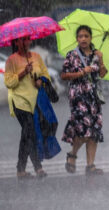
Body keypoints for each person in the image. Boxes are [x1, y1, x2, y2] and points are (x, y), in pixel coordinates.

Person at [61, 25, 107, 176]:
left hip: (93, 96)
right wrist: (81, 73)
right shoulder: (72, 55)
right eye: (80, 36)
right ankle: (72, 154)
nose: (83, 39)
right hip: (78, 96)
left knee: (94, 131)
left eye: (86, 36)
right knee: (83, 130)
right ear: (77, 39)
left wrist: (101, 60)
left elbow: (103, 74)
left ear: (91, 38)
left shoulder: (96, 54)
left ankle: (90, 165)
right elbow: (64, 75)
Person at [4, 36, 49, 179]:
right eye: (21, 40)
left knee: (27, 134)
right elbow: (9, 83)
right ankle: (37, 167)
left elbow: (45, 75)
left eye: (27, 39)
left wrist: (40, 81)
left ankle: (21, 169)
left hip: (34, 101)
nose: (25, 42)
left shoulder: (36, 57)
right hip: (19, 101)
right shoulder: (11, 60)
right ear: (16, 42)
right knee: (30, 131)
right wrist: (23, 72)